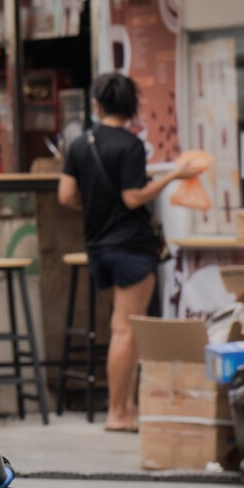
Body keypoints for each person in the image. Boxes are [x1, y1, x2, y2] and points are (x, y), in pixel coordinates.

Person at [57, 73, 206, 432]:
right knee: (125, 330)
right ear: (130, 108)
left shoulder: (79, 145)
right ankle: (118, 412)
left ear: (96, 104)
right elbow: (133, 197)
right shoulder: (130, 146)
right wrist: (174, 175)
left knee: (121, 327)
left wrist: (95, 208)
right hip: (130, 248)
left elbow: (65, 196)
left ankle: (128, 406)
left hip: (98, 247)